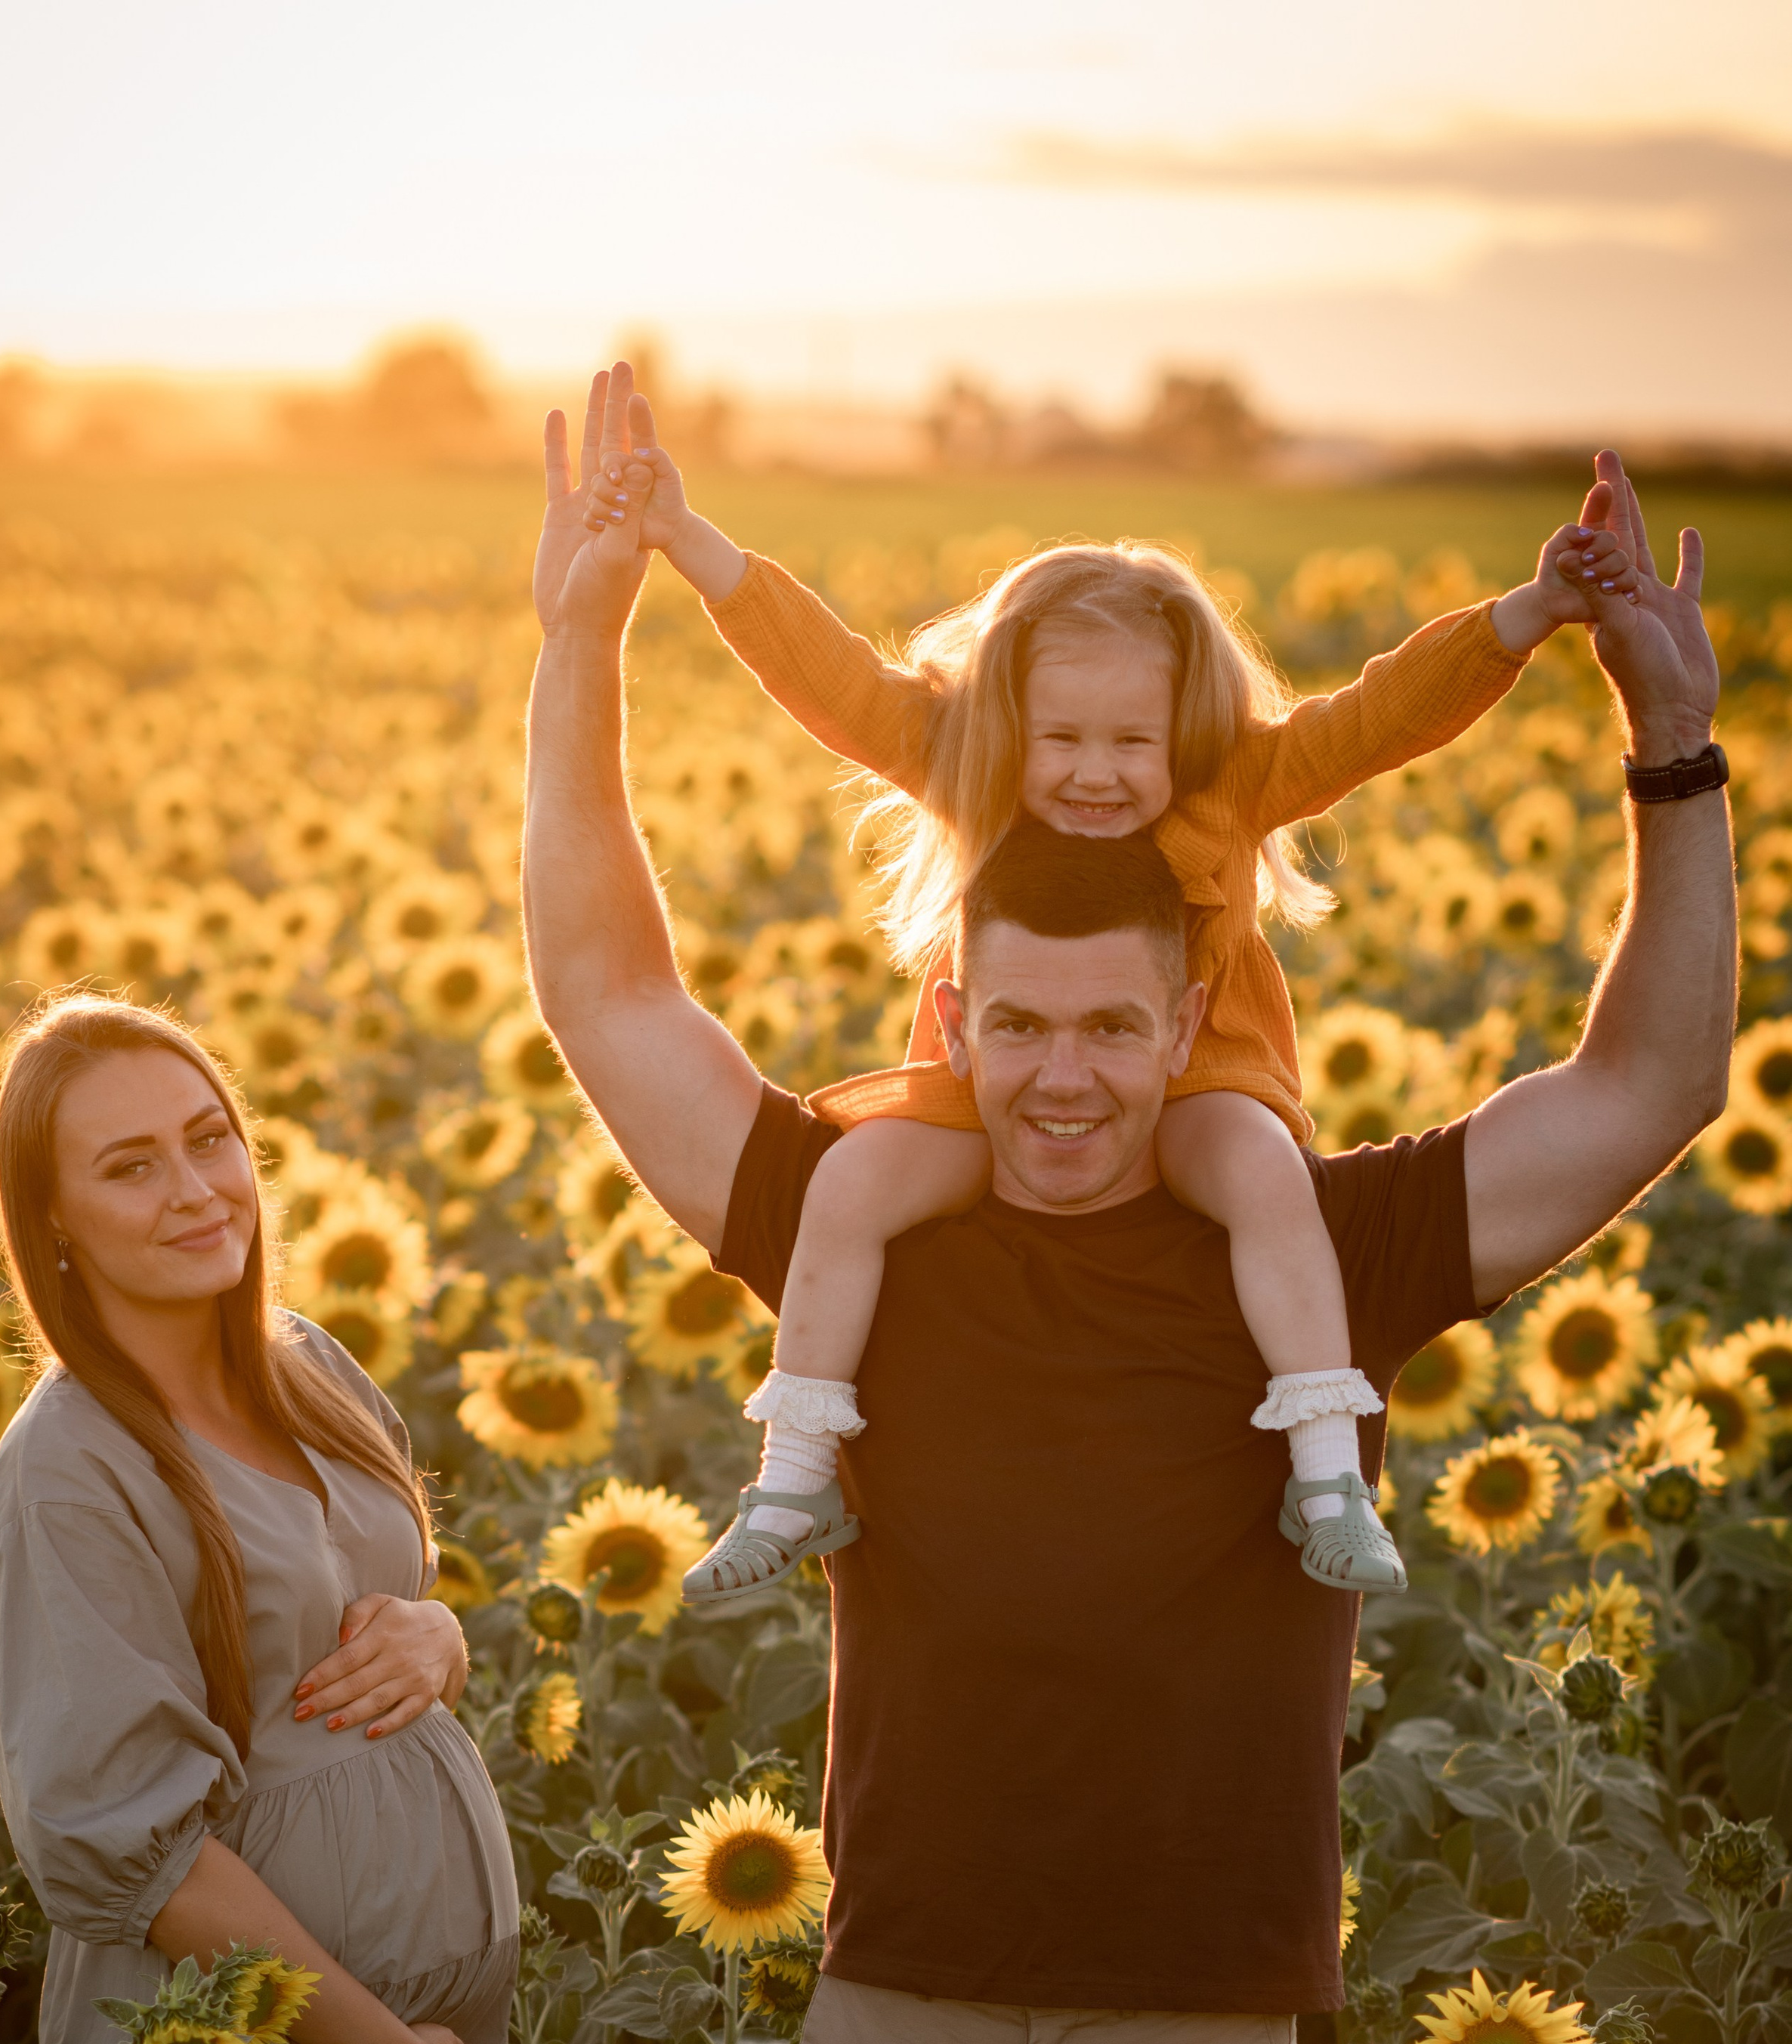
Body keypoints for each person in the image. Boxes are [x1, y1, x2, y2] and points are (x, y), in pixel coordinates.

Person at [524, 379, 1734, 2044]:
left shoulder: (1315, 1247)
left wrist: (1672, 752)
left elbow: (1649, 1088)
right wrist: (582, 640)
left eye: (1112, 1030)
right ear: (948, 1013)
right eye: (1015, 1028)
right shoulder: (861, 1228)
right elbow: (612, 991)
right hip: (896, 2020)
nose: (1065, 1079)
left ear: (1192, 1019)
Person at [582, 397, 1640, 1605]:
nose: (1096, 774)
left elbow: (1379, 717)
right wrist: (693, 541)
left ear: (1184, 730)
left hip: (1206, 1078)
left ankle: (1327, 1472)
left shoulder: (1236, 787)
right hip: (990, 1090)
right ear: (1007, 727)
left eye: (1133, 742)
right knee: (853, 1182)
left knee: (1258, 1173)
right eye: (1063, 738)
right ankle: (796, 1473)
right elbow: (832, 679)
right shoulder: (968, 775)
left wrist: (1527, 614)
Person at [0, 995, 518, 2044]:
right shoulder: (65, 1478)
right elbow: (129, 1843)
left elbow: (375, 1604)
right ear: (56, 1225)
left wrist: (442, 1641)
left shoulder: (303, 1364)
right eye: (130, 1165)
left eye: (211, 1139)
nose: (198, 1189)